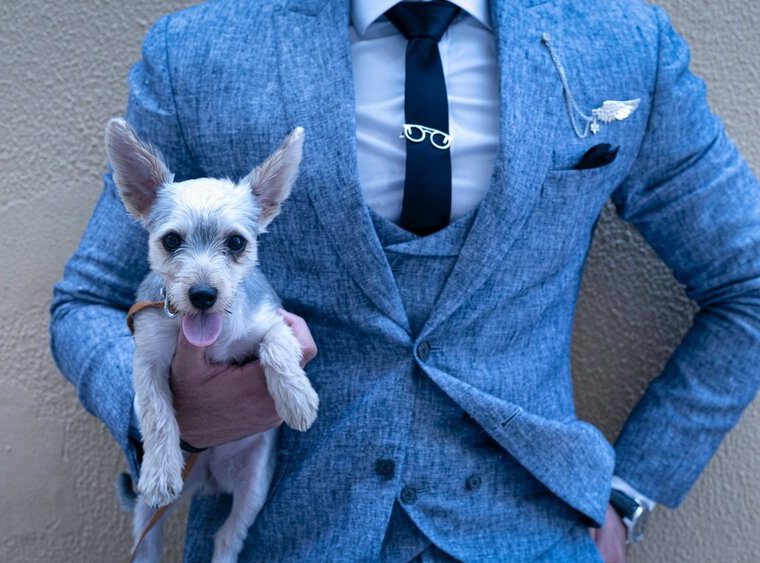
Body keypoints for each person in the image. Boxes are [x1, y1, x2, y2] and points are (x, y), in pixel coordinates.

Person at [49, 0, 760, 561]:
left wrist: (627, 496)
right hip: (274, 535)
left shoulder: (624, 42)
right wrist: (172, 417)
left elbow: (748, 279)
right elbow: (86, 300)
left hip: (533, 540)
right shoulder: (196, 54)